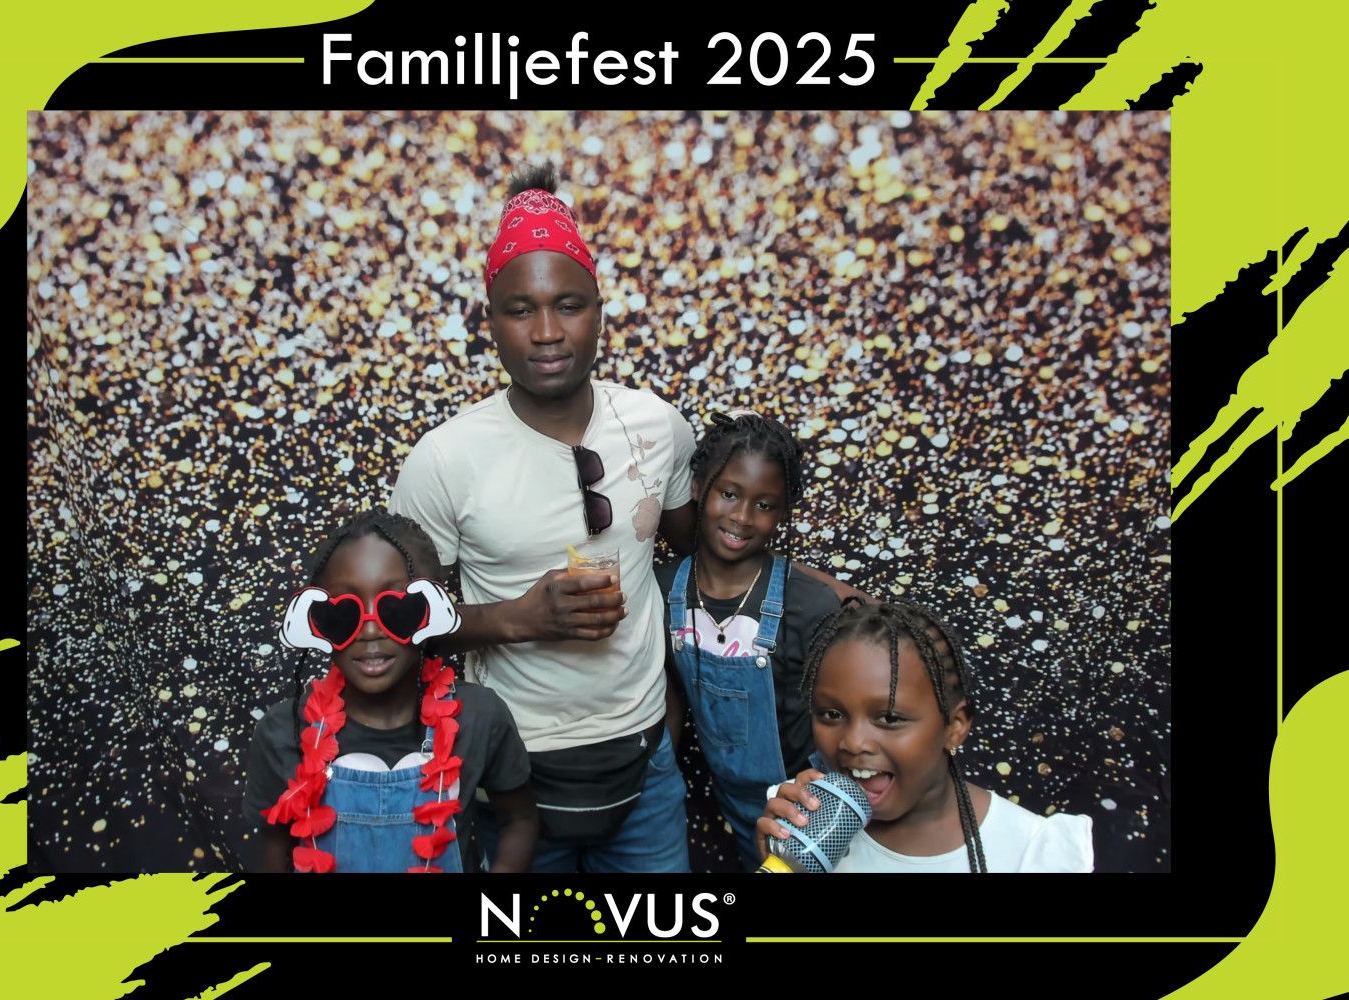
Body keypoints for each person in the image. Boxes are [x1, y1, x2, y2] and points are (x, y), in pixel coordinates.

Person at [388, 165, 697, 872]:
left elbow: (704, 554)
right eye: (521, 310)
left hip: (646, 761)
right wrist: (520, 618)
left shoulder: (658, 426)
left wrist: (817, 587)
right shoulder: (444, 459)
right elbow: (395, 621)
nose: (548, 332)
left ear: (601, 311)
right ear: (490, 322)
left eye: (569, 305)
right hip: (512, 768)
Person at [242, 508, 537, 872]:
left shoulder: (479, 716)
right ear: (318, 621)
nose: (370, 632)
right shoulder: (283, 731)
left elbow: (520, 819)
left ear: (430, 612)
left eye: (396, 609)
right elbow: (270, 851)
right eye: (344, 614)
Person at [756, 599, 1093, 872]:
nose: (853, 742)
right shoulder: (798, 822)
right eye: (832, 714)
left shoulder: (1031, 852)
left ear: (955, 727)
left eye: (889, 718)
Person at [658, 409, 842, 867]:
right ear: (697, 487)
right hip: (731, 805)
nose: (742, 517)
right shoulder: (663, 590)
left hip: (808, 809)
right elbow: (669, 693)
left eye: (764, 505)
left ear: (783, 513)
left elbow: (841, 716)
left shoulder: (809, 605)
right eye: (729, 494)